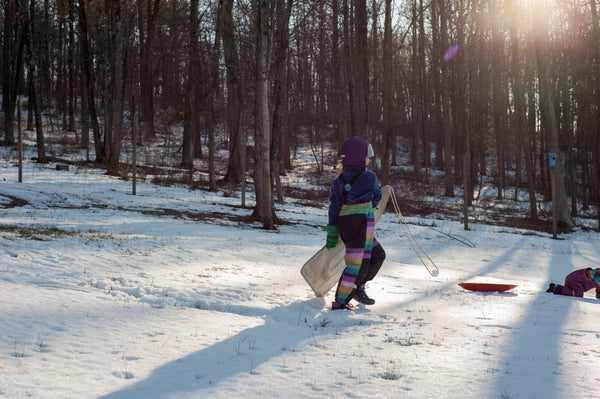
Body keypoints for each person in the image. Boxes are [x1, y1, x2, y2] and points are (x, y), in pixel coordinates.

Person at [326, 136, 386, 310]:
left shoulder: (338, 181)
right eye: (367, 157)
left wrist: (332, 232)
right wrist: (373, 201)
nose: (369, 160)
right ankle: (340, 301)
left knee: (376, 255)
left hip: (350, 226)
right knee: (356, 264)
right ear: (358, 157)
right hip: (360, 224)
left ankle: (357, 287)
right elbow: (378, 196)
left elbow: (334, 208)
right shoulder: (369, 177)